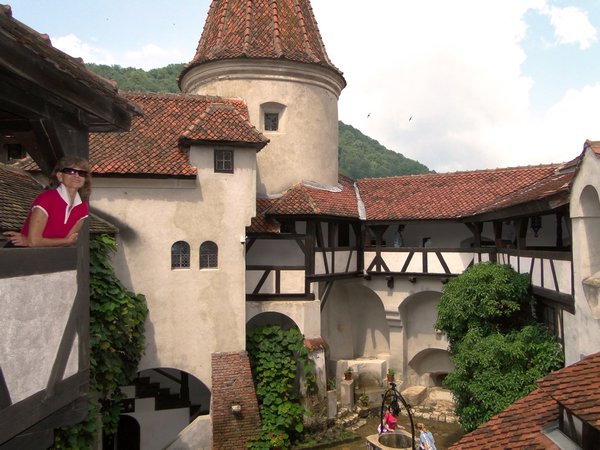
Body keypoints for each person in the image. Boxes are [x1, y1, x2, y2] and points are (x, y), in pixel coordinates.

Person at [3, 155, 91, 247]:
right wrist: (65, 241)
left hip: (49, 255)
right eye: (70, 171)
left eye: (82, 173)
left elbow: (67, 242)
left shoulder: (82, 208)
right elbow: (34, 242)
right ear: (60, 176)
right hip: (21, 253)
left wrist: (65, 242)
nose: (77, 176)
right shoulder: (47, 198)